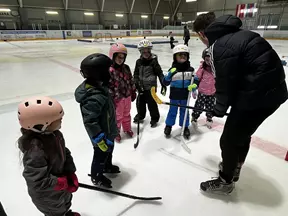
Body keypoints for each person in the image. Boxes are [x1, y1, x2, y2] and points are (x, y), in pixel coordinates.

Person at [193, 12, 288, 194]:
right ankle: (234, 166)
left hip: (257, 96)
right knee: (241, 134)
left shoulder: (218, 46)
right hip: (273, 93)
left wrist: (219, 108)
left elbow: (225, 82)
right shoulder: (240, 35)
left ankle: (226, 181)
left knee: (228, 140)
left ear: (202, 33)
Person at [17, 96, 79, 216]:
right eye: (58, 119)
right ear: (43, 125)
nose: (61, 120)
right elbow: (36, 181)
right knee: (56, 211)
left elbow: (64, 151)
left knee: (64, 203)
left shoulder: (54, 135)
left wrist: (70, 172)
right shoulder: (35, 151)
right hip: (47, 194)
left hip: (58, 185)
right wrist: (60, 182)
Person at [75, 53, 119, 189]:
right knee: (100, 155)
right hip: (100, 134)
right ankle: (97, 176)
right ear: (98, 73)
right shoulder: (93, 96)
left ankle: (107, 166)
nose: (109, 73)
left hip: (108, 129)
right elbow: (90, 121)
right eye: (107, 70)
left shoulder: (99, 86)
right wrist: (99, 138)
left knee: (109, 150)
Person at [162, 44, 196, 139]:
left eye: (184, 55)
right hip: (175, 96)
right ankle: (169, 126)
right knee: (172, 112)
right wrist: (168, 77)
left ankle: (185, 127)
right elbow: (165, 83)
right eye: (180, 55)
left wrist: (194, 87)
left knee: (184, 112)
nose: (182, 57)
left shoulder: (191, 70)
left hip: (185, 96)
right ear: (175, 57)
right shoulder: (173, 70)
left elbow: (195, 80)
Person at [133, 39, 167, 128]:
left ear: (150, 50)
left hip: (150, 87)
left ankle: (154, 118)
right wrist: (136, 82)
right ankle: (140, 115)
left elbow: (159, 73)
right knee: (140, 102)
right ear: (140, 51)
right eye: (143, 51)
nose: (146, 52)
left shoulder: (153, 62)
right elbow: (136, 73)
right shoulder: (138, 62)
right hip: (141, 87)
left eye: (147, 50)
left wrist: (163, 83)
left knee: (151, 103)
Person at [108, 43, 137, 143]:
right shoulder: (110, 70)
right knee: (118, 117)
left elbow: (131, 80)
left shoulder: (126, 68)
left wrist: (133, 91)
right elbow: (109, 86)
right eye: (118, 57)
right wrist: (111, 98)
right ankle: (116, 133)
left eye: (123, 57)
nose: (121, 59)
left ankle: (127, 128)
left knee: (127, 114)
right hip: (117, 99)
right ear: (112, 56)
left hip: (127, 96)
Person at [191, 48, 216, 129]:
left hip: (212, 92)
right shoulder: (202, 68)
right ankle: (194, 117)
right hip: (202, 92)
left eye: (210, 58)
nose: (208, 61)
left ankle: (209, 118)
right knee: (199, 105)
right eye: (206, 58)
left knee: (210, 106)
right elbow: (197, 78)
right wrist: (194, 87)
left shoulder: (216, 69)